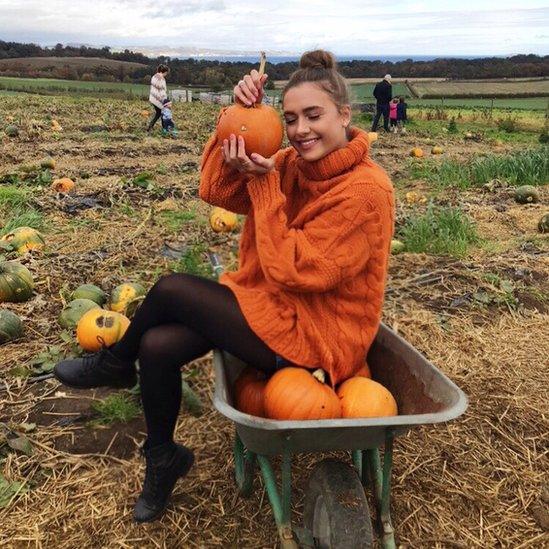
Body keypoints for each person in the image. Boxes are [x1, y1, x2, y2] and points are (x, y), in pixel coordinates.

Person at [53, 49, 395, 524]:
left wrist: (264, 186)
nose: (300, 131)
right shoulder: (291, 166)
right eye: (291, 118)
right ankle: (162, 458)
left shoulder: (367, 191)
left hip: (320, 335)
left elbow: (298, 269)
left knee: (172, 289)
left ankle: (114, 363)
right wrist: (234, 122)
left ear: (345, 114)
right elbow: (217, 191)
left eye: (313, 116)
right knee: (155, 346)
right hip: (274, 307)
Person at [147, 64, 169, 133]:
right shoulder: (161, 79)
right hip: (158, 99)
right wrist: (165, 101)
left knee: (159, 113)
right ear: (164, 72)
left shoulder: (154, 76)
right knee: (163, 113)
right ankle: (165, 129)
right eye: (166, 73)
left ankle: (150, 126)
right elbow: (162, 91)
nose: (166, 74)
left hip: (153, 98)